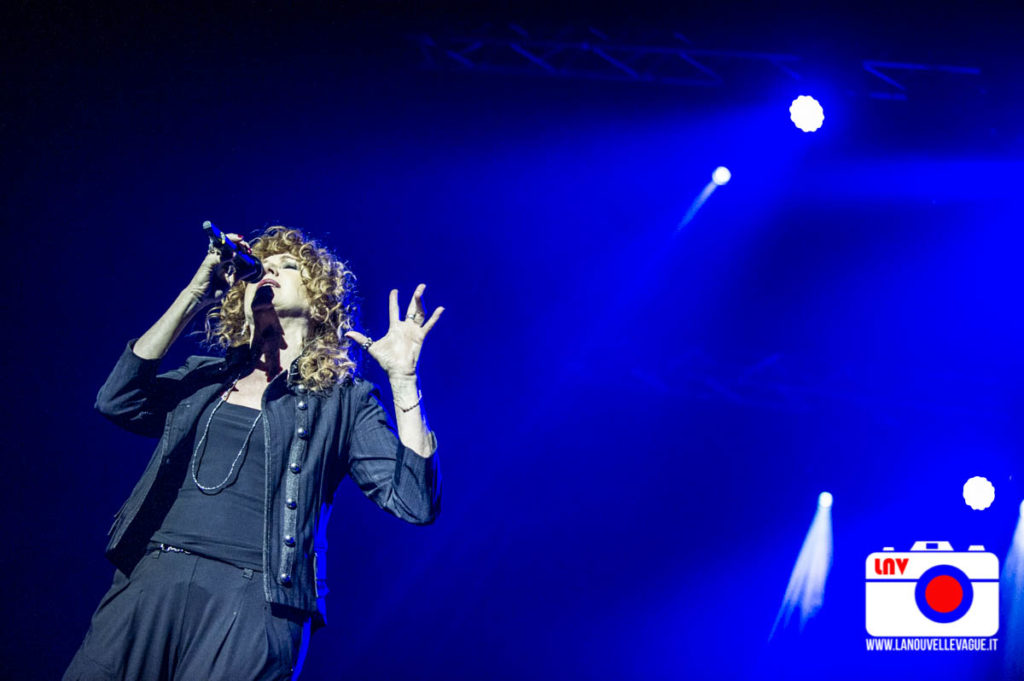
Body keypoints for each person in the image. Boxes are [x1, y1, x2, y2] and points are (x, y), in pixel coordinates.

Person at [63, 226, 444, 681]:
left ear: (320, 301)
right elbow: (118, 401)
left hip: (256, 601)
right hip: (153, 576)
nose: (269, 273)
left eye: (287, 267)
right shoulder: (204, 378)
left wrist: (403, 380)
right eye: (260, 269)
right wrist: (194, 292)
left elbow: (415, 502)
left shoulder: (345, 399)